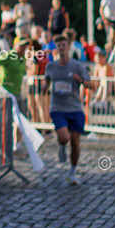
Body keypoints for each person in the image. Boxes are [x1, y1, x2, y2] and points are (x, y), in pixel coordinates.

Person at [44, 35, 93, 184]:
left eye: (63, 45)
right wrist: (44, 87)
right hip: (58, 108)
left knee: (75, 142)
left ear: (69, 46)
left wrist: (80, 80)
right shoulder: (51, 66)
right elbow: (46, 81)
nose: (61, 48)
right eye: (58, 45)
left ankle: (72, 172)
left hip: (75, 108)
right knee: (64, 137)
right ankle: (62, 145)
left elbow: (91, 85)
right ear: (56, 48)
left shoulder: (77, 66)